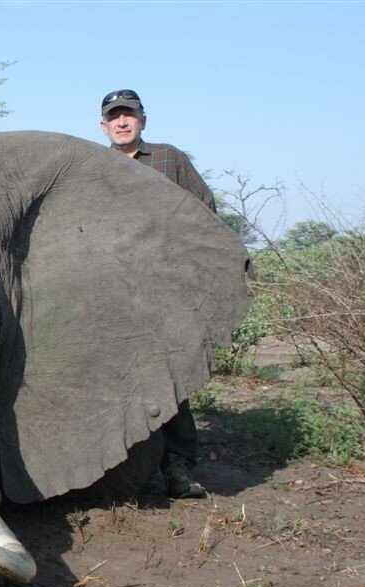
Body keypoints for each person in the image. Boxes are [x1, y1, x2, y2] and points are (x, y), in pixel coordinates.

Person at [100, 88, 213, 499]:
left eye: (129, 115)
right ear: (104, 125)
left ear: (143, 120)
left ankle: (178, 467)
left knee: (169, 377)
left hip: (165, 288)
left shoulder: (169, 158)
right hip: (110, 291)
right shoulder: (90, 167)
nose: (122, 122)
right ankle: (118, 465)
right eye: (115, 117)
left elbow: (203, 208)